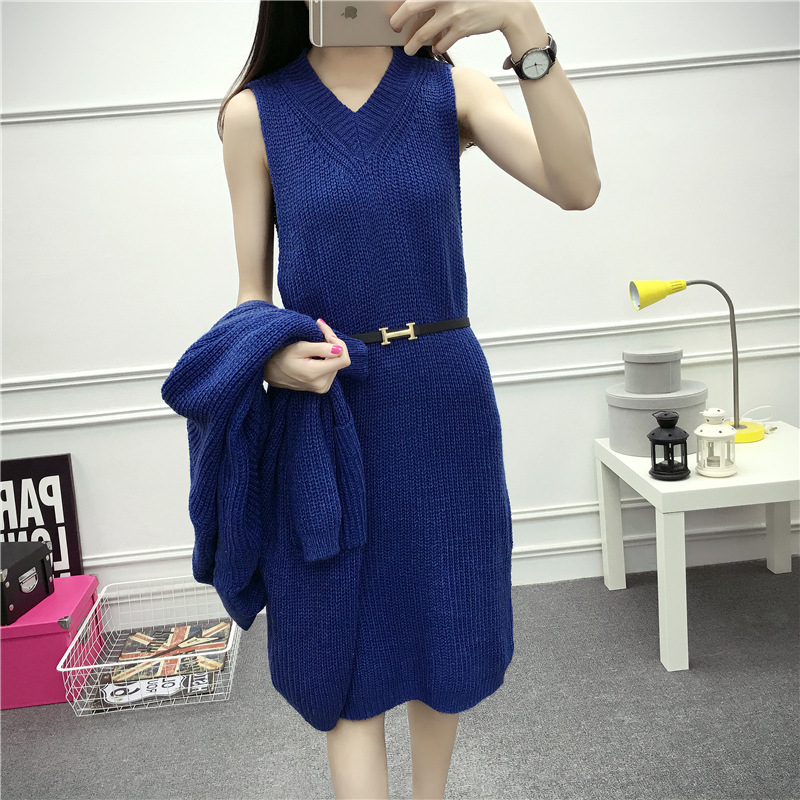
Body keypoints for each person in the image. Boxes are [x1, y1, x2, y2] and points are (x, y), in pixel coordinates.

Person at [217, 2, 599, 798]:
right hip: (329, 413)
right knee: (342, 653)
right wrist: (273, 356)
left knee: (443, 631)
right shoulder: (256, 115)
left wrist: (522, 24)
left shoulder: (449, 91)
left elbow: (577, 186)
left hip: (444, 402)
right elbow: (252, 294)